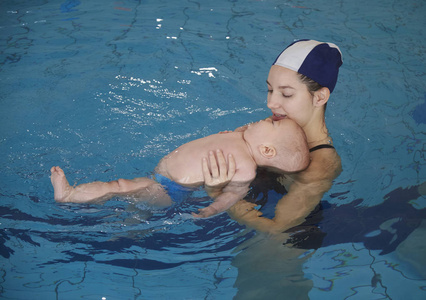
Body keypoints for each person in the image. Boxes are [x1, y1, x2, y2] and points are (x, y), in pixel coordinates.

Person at [203, 39, 343, 234]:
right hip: (238, 210)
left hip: (284, 243)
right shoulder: (269, 126)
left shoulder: (320, 165)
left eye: (286, 94)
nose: (271, 103)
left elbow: (276, 230)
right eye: (270, 90)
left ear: (319, 97)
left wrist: (217, 192)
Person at [50, 118, 310, 218]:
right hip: (161, 177)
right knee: (135, 213)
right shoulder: (241, 135)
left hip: (169, 189)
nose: (265, 118)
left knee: (120, 187)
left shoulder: (246, 168)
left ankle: (69, 195)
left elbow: (233, 195)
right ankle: (132, 232)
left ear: (266, 150)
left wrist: (210, 209)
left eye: (271, 123)